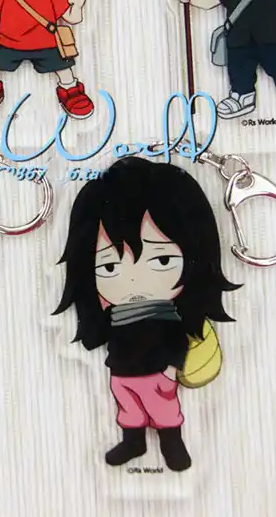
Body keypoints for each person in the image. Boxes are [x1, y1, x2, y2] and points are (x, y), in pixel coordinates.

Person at [55, 157, 239, 471]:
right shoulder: (113, 313)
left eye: (162, 260)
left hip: (157, 371)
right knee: (128, 407)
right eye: (109, 266)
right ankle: (134, 442)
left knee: (163, 408)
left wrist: (171, 368)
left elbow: (177, 339)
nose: (132, 280)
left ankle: (172, 442)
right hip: (121, 371)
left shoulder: (167, 313)